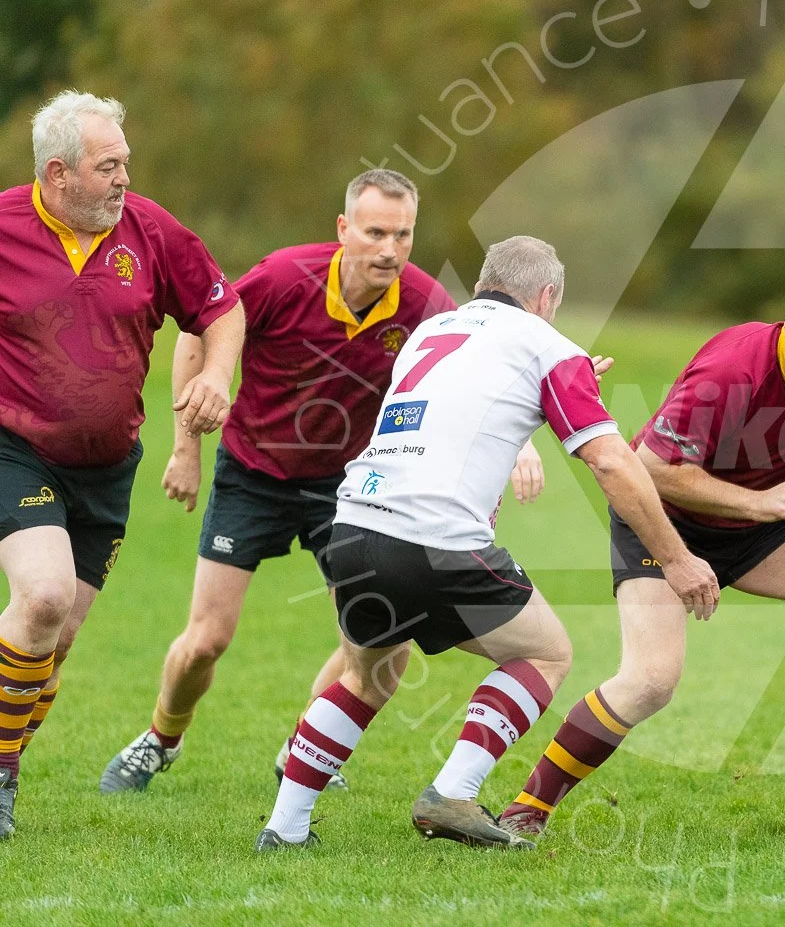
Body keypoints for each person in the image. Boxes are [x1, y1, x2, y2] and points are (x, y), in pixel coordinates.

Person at [255, 235, 718, 850]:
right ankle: (453, 793)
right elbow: (611, 462)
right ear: (547, 296)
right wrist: (678, 558)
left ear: (484, 284)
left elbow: (468, 400)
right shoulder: (549, 346)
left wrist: (564, 380)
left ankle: (284, 829)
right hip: (436, 538)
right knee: (545, 653)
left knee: (367, 677)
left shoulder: (432, 331)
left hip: (354, 523)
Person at [98, 170, 550, 794]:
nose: (389, 250)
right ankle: (161, 738)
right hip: (253, 473)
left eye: (403, 235)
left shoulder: (423, 303)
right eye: (374, 233)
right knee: (207, 640)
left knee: (379, 642)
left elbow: (481, 366)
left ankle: (302, 747)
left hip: (348, 488)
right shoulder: (285, 276)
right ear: (344, 230)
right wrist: (186, 450)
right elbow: (200, 335)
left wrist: (524, 440)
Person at [495, 264, 785, 841]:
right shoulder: (732, 369)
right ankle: (527, 808)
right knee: (650, 680)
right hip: (661, 519)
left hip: (753, 519)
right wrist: (760, 504)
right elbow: (651, 470)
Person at [0, 91, 244, 841]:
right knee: (39, 600)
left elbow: (222, 309)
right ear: (58, 173)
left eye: (126, 163)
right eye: (109, 167)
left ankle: (5, 764)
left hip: (107, 466)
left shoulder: (151, 231)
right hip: (15, 447)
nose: (124, 180)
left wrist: (214, 376)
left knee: (57, 638)